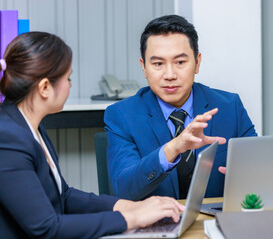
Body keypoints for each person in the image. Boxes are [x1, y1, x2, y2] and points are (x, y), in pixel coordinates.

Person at [0, 32, 184, 238]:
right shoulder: (8, 138)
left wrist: (129, 207)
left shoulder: (29, 126)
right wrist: (132, 219)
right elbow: (46, 227)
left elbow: (64, 197)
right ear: (44, 87)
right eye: (67, 78)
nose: (70, 85)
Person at [105, 15, 257, 201]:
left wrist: (249, 176)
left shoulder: (229, 107)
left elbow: (259, 169)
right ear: (144, 67)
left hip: (214, 223)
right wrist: (173, 148)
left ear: (197, 62)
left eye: (180, 62)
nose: (170, 75)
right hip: (157, 226)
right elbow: (124, 189)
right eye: (158, 64)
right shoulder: (122, 116)